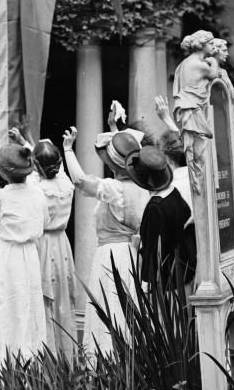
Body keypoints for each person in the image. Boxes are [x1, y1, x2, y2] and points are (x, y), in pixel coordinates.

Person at [63, 123, 146, 356]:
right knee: (123, 309)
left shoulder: (115, 188)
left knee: (111, 308)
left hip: (112, 256)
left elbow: (80, 181)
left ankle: (108, 362)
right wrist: (115, 127)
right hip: (131, 254)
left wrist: (68, 149)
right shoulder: (143, 187)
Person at [0, 141, 49, 366]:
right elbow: (45, 221)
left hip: (6, 256)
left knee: (0, 305)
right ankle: (25, 360)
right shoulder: (38, 194)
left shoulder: (1, 196)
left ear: (2, 172)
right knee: (25, 305)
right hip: (29, 256)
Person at [29, 138, 77, 360]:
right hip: (61, 244)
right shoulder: (66, 184)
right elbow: (51, 165)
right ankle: (65, 354)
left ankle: (45, 356)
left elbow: (31, 171)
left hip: (43, 244)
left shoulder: (35, 188)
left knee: (42, 299)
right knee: (62, 300)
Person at [131, 146, 194, 290]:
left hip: (165, 280)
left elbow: (153, 249)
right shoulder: (173, 193)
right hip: (182, 271)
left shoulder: (155, 206)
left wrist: (147, 282)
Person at [173, 31, 221, 195]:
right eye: (211, 43)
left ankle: (199, 184)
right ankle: (199, 188)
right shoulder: (199, 64)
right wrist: (213, 61)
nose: (213, 47)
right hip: (192, 110)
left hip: (190, 108)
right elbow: (214, 74)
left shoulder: (185, 63)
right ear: (202, 44)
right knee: (198, 152)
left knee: (195, 151)